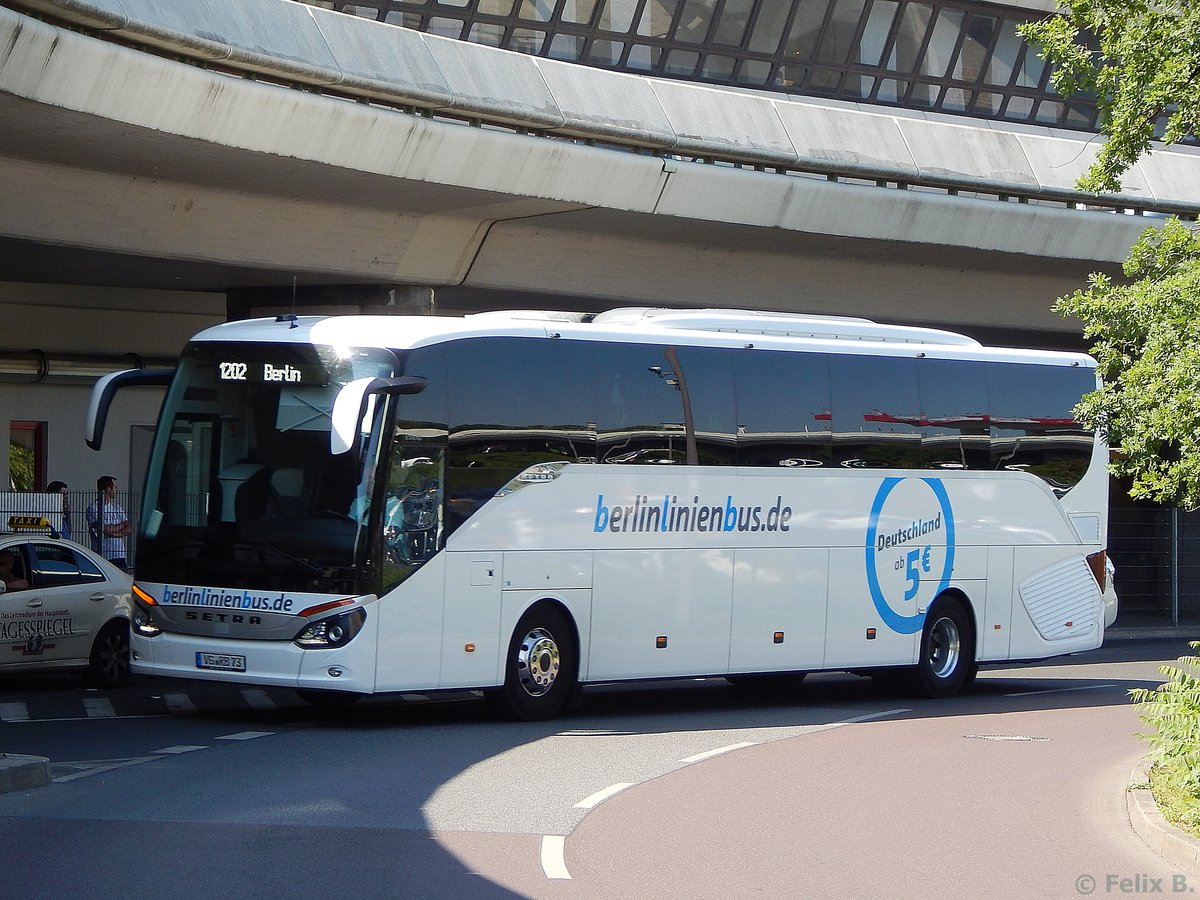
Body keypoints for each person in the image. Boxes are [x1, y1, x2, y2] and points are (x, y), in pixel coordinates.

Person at [85, 475, 131, 571]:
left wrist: (115, 533)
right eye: (115, 487)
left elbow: (129, 528)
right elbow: (105, 529)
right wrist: (121, 525)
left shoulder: (116, 507)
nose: (117, 490)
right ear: (108, 489)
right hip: (104, 554)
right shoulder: (94, 508)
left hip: (119, 554)